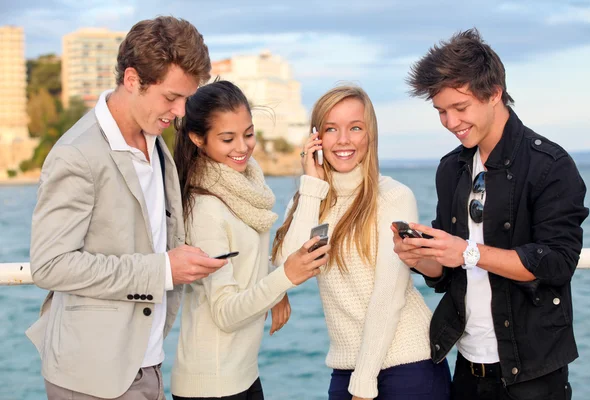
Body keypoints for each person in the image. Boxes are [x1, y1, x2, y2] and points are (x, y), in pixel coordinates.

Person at [25, 16, 228, 400]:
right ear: (133, 80)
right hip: (91, 376)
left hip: (146, 362)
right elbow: (50, 265)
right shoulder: (77, 155)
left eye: (187, 97)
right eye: (171, 97)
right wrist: (163, 268)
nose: (181, 112)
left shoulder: (155, 139)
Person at [397, 28, 589, 400]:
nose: (450, 122)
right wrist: (422, 258)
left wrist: (469, 252)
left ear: (495, 93)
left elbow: (557, 263)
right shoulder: (450, 169)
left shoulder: (550, 165)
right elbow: (447, 275)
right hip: (467, 365)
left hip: (532, 374)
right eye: (441, 111)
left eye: (460, 108)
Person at [271, 85, 451, 400]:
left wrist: (364, 385)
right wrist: (312, 185)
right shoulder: (311, 197)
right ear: (316, 138)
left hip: (407, 366)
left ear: (370, 136)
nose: (343, 140)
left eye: (355, 128)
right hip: (347, 368)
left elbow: (388, 295)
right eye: (331, 129)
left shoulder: (393, 196)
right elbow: (287, 266)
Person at [170, 80, 330, 400]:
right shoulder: (205, 208)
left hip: (242, 373)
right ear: (198, 138)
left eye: (248, 134)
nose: (242, 147)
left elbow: (253, 263)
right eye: (227, 138)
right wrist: (283, 279)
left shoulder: (244, 188)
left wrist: (273, 286)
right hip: (211, 384)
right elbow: (226, 313)